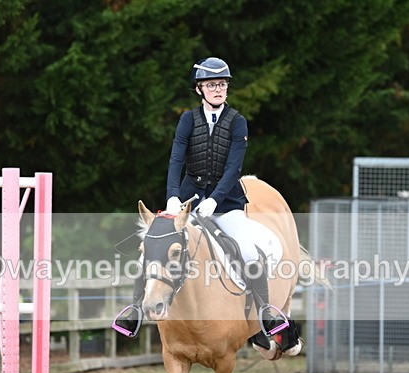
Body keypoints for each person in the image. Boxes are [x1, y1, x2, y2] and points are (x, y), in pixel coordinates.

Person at [113, 57, 289, 338]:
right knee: (154, 243)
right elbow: (175, 159)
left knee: (248, 250)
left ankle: (265, 311)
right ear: (199, 89)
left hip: (226, 203)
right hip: (188, 201)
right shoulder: (187, 120)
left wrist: (215, 200)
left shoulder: (237, 122)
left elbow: (234, 168)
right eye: (211, 85)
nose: (218, 89)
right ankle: (134, 310)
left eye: (222, 84)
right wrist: (173, 197)